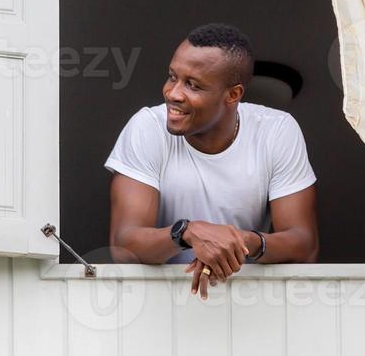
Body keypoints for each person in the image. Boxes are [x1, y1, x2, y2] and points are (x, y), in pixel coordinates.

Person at [105, 23, 319, 298]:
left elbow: (305, 246)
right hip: (156, 303)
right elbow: (124, 247)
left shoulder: (277, 131)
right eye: (172, 77)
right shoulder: (147, 127)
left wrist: (242, 242)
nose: (173, 93)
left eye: (192, 85)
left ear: (233, 95)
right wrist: (187, 232)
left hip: (250, 301)